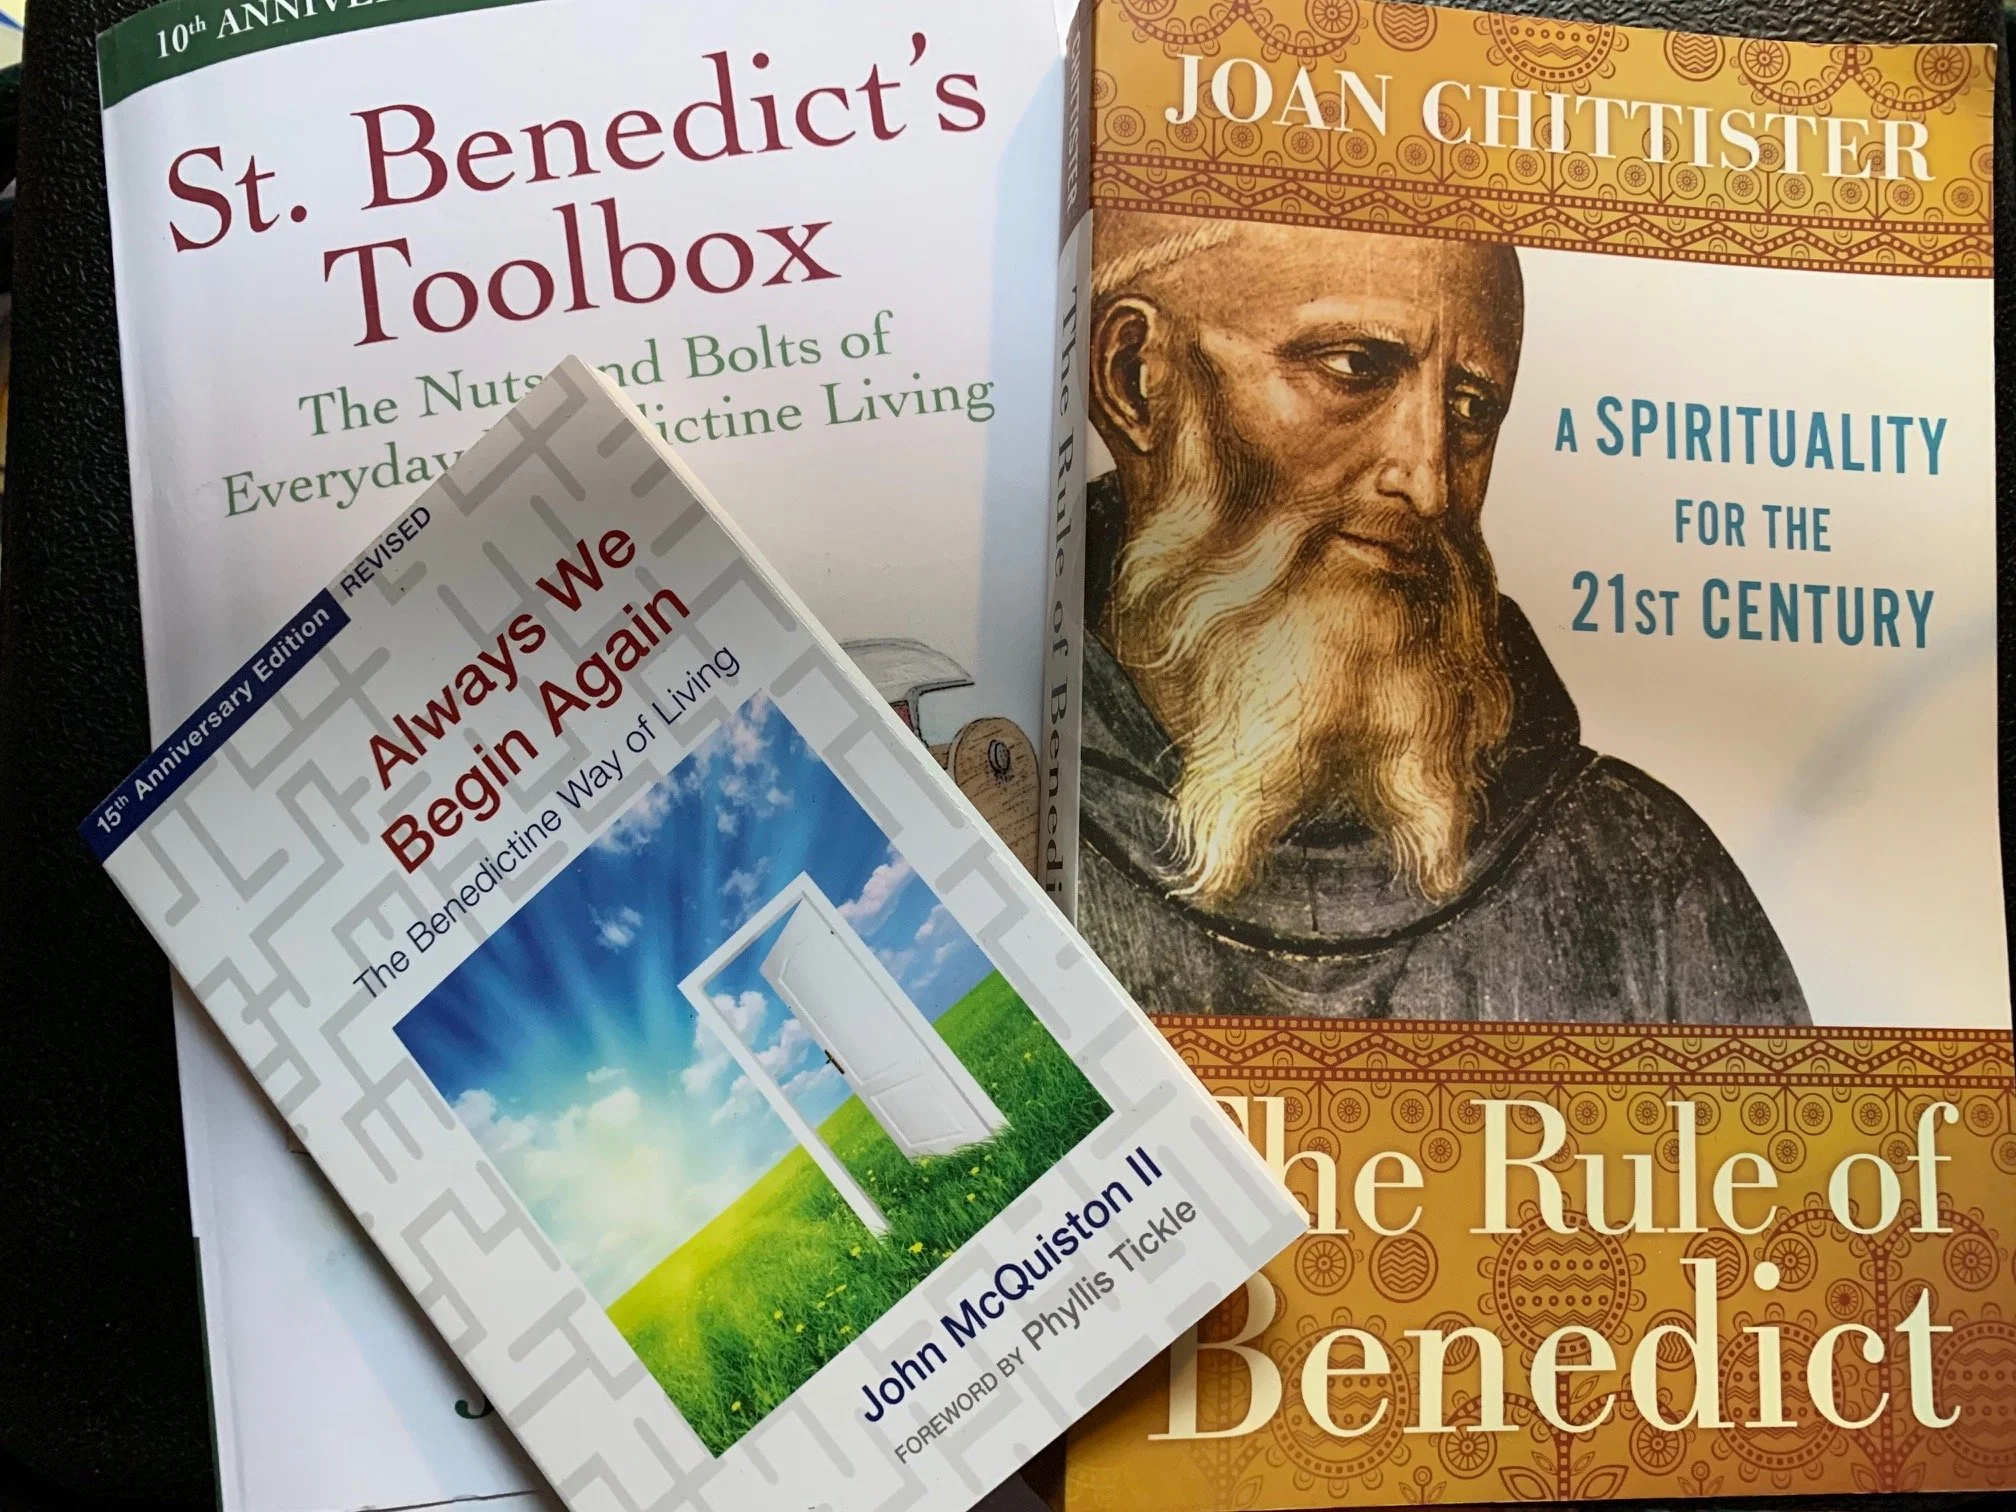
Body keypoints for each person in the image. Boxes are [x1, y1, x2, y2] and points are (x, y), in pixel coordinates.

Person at [1079, 212, 1808, 1026]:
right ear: (1134, 377)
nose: (1428, 482)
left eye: (1469, 408)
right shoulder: (1008, 809)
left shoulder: (1649, 880)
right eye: (1355, 368)